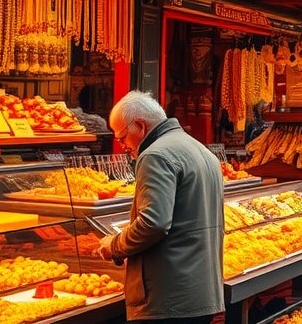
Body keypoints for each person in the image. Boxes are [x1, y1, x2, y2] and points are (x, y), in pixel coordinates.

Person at [96, 91, 224, 324]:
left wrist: (114, 245)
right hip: (201, 291)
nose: (122, 145)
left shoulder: (155, 155)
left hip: (168, 298)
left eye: (123, 137)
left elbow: (153, 223)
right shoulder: (202, 151)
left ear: (140, 126)